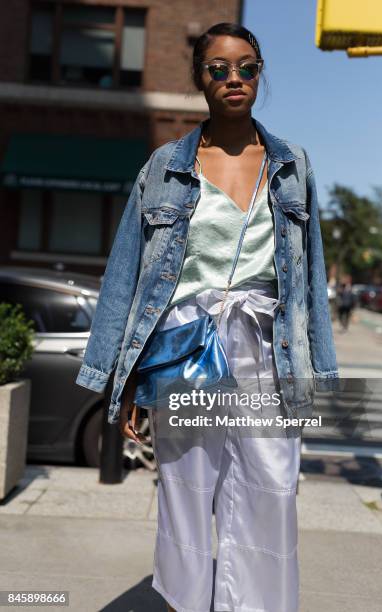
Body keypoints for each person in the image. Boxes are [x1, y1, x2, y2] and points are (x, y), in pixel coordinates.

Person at [75, 22, 339, 612]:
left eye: (247, 66)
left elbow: (310, 277)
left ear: (260, 72)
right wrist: (120, 383)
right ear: (200, 77)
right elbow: (126, 276)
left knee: (270, 493)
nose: (234, 79)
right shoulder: (164, 167)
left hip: (267, 351)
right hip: (186, 348)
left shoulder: (292, 164)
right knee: (186, 495)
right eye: (219, 68)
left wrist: (320, 375)